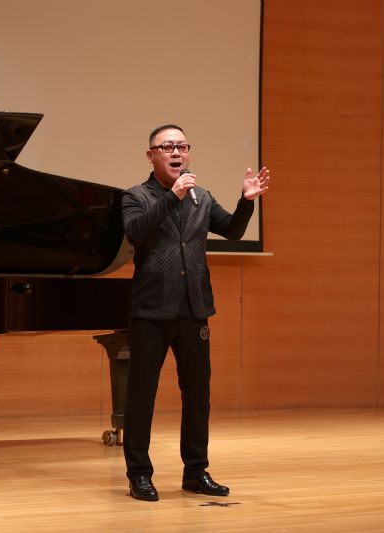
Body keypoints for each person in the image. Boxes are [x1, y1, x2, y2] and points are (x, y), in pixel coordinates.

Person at [121, 124, 271, 501]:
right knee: (141, 396)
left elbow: (233, 231)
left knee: (197, 395)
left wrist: (246, 201)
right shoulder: (135, 196)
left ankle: (195, 471)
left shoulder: (201, 197)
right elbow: (136, 233)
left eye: (182, 146)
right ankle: (139, 474)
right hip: (151, 310)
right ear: (151, 155)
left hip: (194, 308)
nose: (177, 152)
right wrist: (172, 196)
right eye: (167, 146)